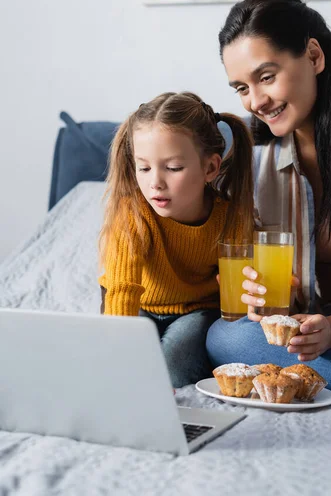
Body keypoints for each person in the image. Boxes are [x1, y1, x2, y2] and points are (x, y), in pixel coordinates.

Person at [206, 0, 331, 399]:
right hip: (324, 349)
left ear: (313, 56)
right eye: (241, 87)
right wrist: (269, 303)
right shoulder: (253, 162)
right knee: (227, 337)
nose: (256, 101)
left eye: (266, 77)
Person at [98, 91, 254, 388]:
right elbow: (121, 291)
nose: (155, 181)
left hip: (195, 311)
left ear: (210, 168)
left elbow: (240, 299)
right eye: (143, 168)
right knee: (110, 362)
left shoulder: (231, 218)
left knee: (173, 372)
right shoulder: (132, 213)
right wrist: (116, 355)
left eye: (173, 168)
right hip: (137, 306)